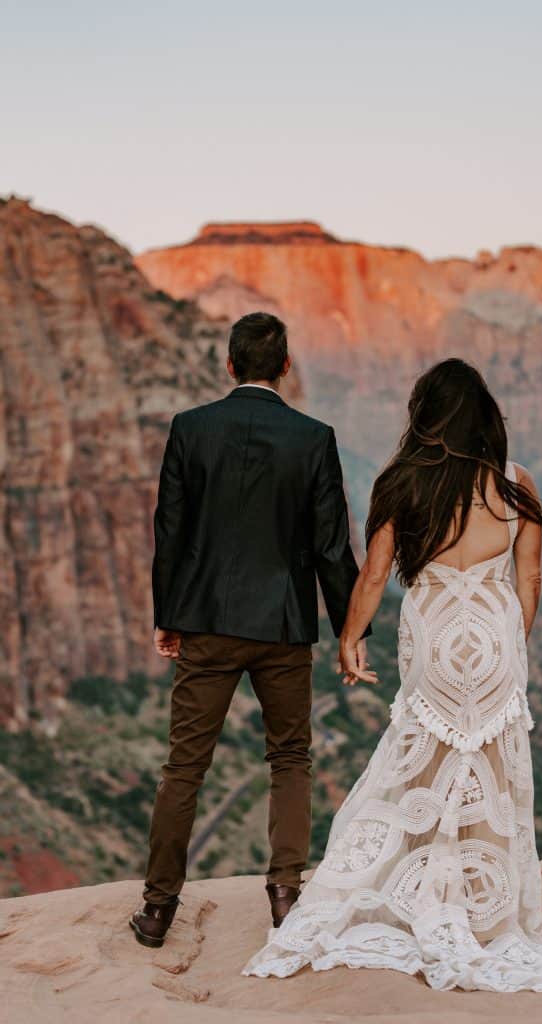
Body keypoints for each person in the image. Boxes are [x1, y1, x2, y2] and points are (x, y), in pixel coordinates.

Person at [243, 358, 542, 1001]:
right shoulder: (515, 483)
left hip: (434, 632)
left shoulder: (402, 482)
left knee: (421, 758)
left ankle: (415, 888)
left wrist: (351, 639)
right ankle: (483, 906)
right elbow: (530, 580)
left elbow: (374, 574)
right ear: (485, 418)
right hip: (494, 633)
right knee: (493, 766)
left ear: (425, 416)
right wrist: (509, 644)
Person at [130, 312, 370, 948]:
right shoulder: (313, 437)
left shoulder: (190, 428)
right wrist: (352, 628)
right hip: (284, 626)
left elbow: (170, 532)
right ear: (285, 368)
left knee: (184, 767)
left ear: (230, 365)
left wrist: (167, 614)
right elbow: (330, 547)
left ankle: (157, 909)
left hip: (205, 622)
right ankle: (286, 896)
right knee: (289, 757)